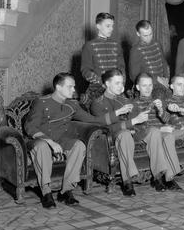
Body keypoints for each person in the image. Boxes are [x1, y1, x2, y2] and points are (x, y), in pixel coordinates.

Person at [24, 73, 118, 208]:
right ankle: (46, 192)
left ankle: (66, 190)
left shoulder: (72, 105)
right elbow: (30, 126)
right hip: (40, 140)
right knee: (42, 147)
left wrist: (117, 114)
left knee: (79, 145)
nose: (74, 90)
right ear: (58, 87)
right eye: (70, 87)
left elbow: (93, 120)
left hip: (61, 140)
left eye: (73, 87)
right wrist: (49, 142)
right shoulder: (42, 102)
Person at [90, 69, 178, 196]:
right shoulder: (97, 103)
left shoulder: (125, 101)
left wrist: (145, 118)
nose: (121, 86)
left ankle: (158, 177)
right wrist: (133, 122)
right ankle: (127, 181)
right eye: (117, 83)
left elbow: (138, 122)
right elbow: (105, 127)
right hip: (112, 136)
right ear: (107, 84)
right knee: (125, 134)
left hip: (133, 132)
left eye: (122, 83)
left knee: (153, 131)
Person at [129, 72, 183, 191]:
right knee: (154, 132)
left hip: (158, 132)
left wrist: (160, 111)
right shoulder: (133, 103)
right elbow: (135, 126)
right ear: (138, 87)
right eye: (144, 86)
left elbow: (166, 119)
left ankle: (169, 177)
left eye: (150, 85)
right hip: (143, 132)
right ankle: (157, 177)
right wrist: (159, 129)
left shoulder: (158, 101)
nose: (148, 88)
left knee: (168, 136)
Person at [80, 12, 125, 105]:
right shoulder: (89, 45)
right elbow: (85, 70)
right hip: (97, 88)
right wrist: (101, 82)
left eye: (112, 26)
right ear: (98, 26)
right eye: (108, 26)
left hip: (116, 87)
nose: (111, 29)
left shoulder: (116, 45)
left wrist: (121, 83)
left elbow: (122, 67)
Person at [129, 20, 170, 92]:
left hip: (163, 84)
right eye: (145, 35)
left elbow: (164, 63)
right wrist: (156, 80)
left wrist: (166, 78)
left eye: (150, 34)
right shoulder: (135, 50)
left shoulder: (157, 44)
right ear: (138, 34)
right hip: (148, 87)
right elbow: (134, 76)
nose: (149, 38)